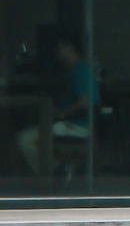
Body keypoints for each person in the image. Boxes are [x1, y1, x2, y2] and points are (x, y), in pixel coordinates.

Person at [17, 34, 97, 176]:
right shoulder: (72, 71)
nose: (56, 51)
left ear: (69, 48)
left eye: (59, 47)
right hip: (68, 125)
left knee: (23, 139)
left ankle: (54, 172)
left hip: (76, 127)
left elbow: (84, 103)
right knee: (34, 139)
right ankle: (59, 169)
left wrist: (62, 114)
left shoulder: (81, 70)